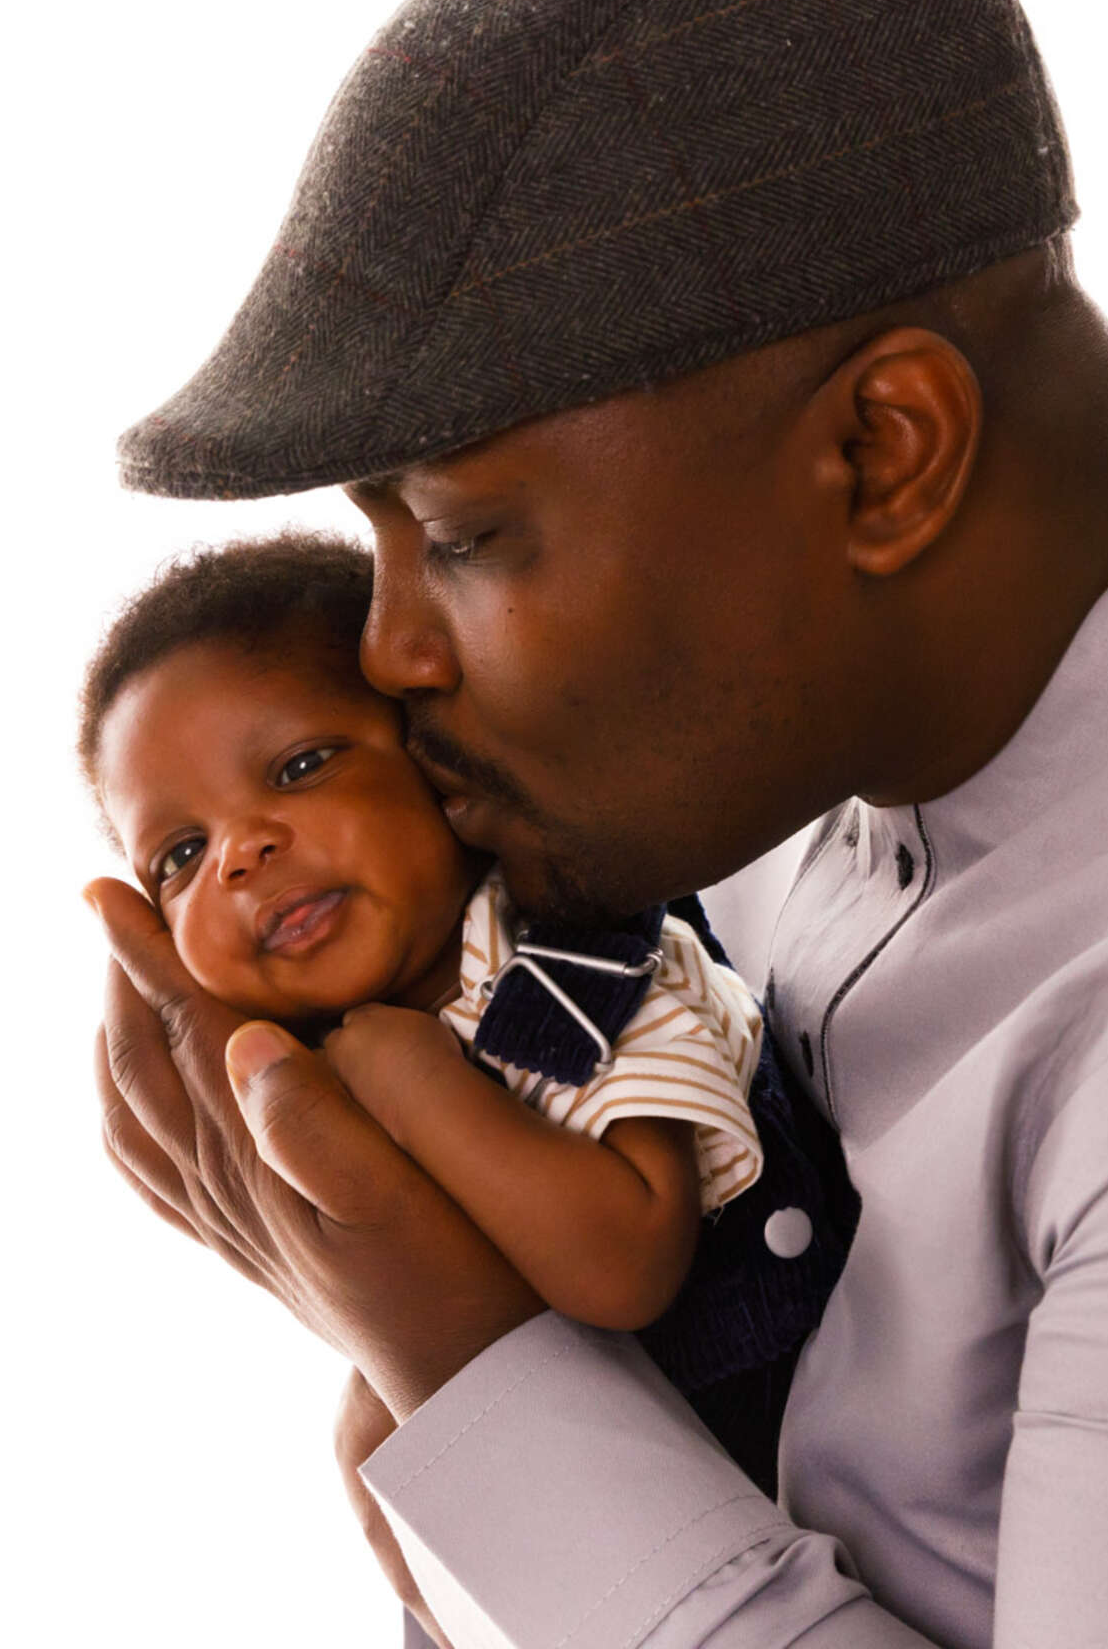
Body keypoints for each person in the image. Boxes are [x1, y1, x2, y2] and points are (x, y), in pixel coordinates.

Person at [86, 0, 1108, 1647]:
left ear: (885, 456)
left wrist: (453, 1363)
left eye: (468, 532)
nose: (389, 651)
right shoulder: (794, 712)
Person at [79, 533, 854, 1496]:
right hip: (605, 1490)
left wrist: (419, 1091)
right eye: (180, 855)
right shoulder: (324, 1069)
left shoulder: (577, 957)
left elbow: (624, 1265)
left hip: (798, 1450)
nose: (240, 852)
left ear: (440, 760)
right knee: (369, 1452)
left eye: (299, 766)